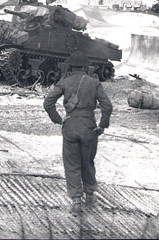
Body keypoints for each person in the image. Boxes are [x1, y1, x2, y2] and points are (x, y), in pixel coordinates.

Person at [43, 50, 113, 215]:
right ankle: (89, 196)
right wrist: (102, 124)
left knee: (72, 164)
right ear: (86, 67)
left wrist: (58, 120)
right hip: (89, 126)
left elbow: (48, 103)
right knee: (87, 162)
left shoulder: (64, 82)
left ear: (70, 66)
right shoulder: (94, 82)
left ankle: (76, 201)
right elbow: (107, 106)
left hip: (71, 126)